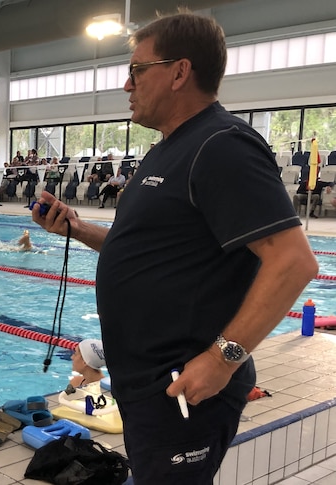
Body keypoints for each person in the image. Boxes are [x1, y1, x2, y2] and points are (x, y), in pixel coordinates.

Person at [30, 10, 317, 484]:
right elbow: (150, 251)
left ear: (180, 71)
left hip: (187, 387)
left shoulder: (222, 146)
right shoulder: (167, 149)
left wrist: (224, 359)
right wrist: (76, 229)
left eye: (137, 70)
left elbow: (293, 260)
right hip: (148, 384)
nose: (127, 84)